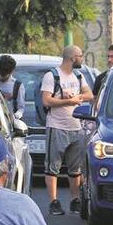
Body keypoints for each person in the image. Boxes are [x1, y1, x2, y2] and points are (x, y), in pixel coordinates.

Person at [40, 45, 93, 216]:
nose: (82, 58)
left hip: (76, 126)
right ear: (72, 58)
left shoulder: (78, 75)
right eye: (80, 56)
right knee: (52, 166)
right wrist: (66, 101)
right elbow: (46, 101)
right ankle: (53, 201)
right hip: (57, 126)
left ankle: (75, 199)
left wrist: (78, 98)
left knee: (75, 167)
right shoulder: (51, 76)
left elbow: (89, 95)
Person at [0, 54, 26, 120]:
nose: (1, 77)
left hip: (8, 121)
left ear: (12, 71)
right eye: (0, 74)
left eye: (5, 75)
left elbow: (21, 108)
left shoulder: (17, 86)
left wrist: (15, 116)